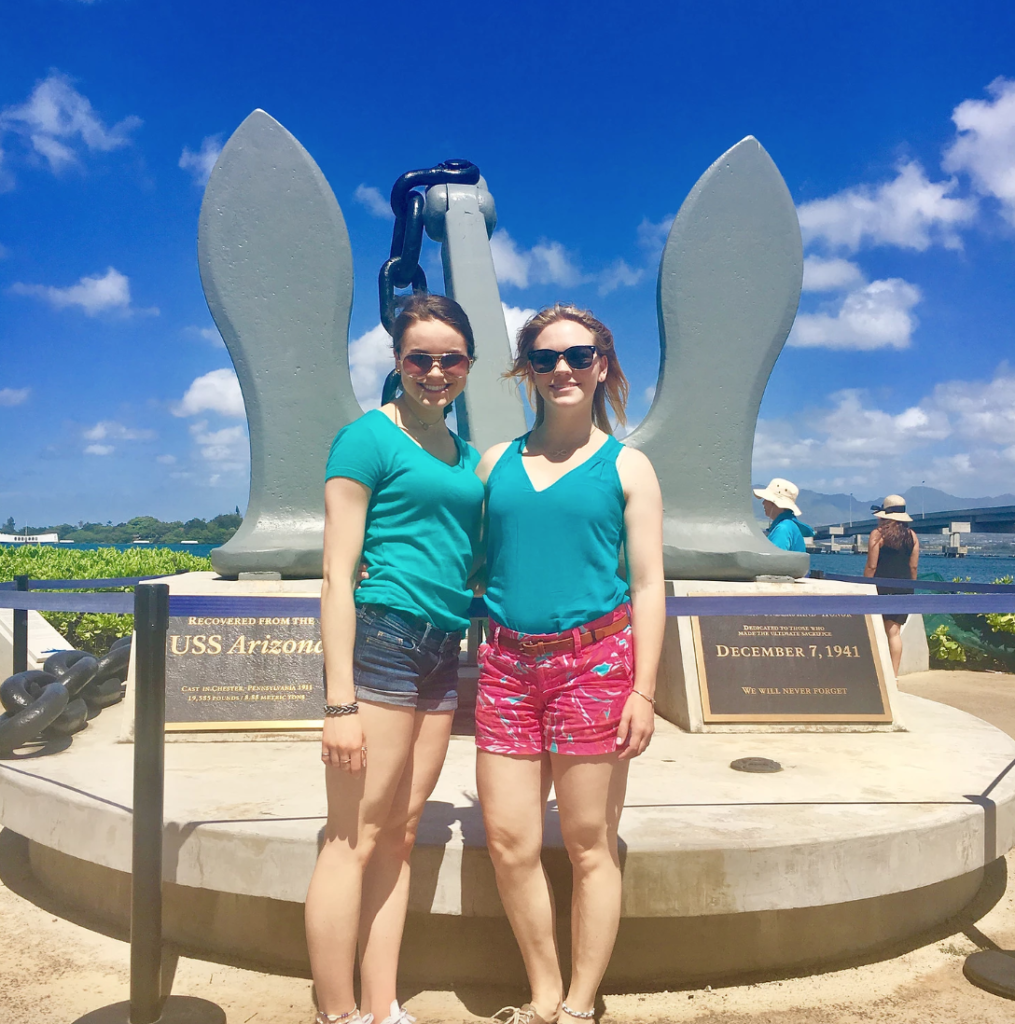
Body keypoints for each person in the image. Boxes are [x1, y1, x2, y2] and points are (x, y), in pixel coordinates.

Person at [474, 304, 665, 1024]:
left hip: (595, 667)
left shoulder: (628, 467)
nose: (562, 369)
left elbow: (648, 584)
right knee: (509, 842)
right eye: (546, 357)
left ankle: (581, 1006)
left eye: (578, 356)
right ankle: (543, 992)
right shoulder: (494, 464)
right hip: (505, 669)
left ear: (601, 366)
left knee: (589, 845)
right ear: (526, 369)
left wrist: (642, 691)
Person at [305, 294, 484, 1024]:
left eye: (450, 358)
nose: (435, 371)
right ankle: (337, 1011)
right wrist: (340, 703)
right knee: (352, 838)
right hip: (382, 642)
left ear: (468, 365)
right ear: (397, 362)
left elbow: (467, 556)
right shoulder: (365, 440)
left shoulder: (467, 457)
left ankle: (383, 1006)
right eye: (420, 358)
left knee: (400, 835)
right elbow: (335, 577)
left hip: (444, 649)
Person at [864, 494, 920, 675]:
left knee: (876, 631)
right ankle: (893, 676)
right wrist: (910, 587)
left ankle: (875, 673)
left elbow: (872, 566)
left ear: (883, 516)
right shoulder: (912, 536)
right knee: (894, 633)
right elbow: (913, 566)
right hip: (903, 588)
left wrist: (865, 585)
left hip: (880, 587)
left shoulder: (878, 534)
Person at [753, 477, 813, 552]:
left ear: (775, 503)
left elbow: (773, 560)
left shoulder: (782, 529)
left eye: (766, 499)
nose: (763, 503)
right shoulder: (789, 526)